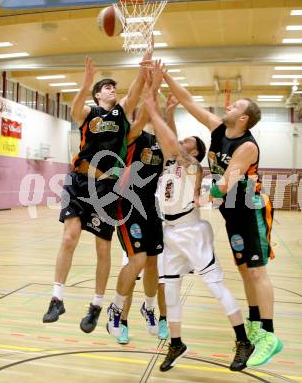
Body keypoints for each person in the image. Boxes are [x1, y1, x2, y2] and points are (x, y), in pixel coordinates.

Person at [163, 71, 282, 366]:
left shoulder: (247, 146)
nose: (227, 108)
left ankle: (268, 333)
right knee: (244, 270)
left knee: (257, 272)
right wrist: (166, 77)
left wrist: (202, 195)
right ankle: (254, 323)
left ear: (243, 118)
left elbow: (227, 182)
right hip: (232, 211)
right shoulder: (217, 129)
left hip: (250, 209)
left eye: (234, 107)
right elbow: (189, 101)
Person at [142, 77, 255, 372]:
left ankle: (243, 340)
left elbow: (168, 138)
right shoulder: (171, 161)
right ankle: (176, 344)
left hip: (191, 231)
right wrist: (165, 111)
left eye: (187, 142)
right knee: (171, 291)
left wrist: (150, 103)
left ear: (194, 151)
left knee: (215, 286)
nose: (181, 141)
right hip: (170, 232)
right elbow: (170, 138)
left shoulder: (193, 166)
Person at [42, 51, 151, 333]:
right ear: (97, 95)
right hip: (78, 181)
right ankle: (57, 297)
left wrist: (144, 65)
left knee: (102, 247)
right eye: (106, 86)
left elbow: (137, 90)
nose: (112, 88)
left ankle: (96, 305)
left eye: (113, 86)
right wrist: (86, 81)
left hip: (106, 188)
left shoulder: (122, 112)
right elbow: (75, 109)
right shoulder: (90, 113)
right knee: (69, 237)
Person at [106, 61, 166, 340]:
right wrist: (151, 83)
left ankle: (149, 308)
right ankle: (116, 310)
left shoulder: (158, 141)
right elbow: (143, 112)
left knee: (152, 263)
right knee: (138, 259)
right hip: (126, 204)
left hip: (150, 205)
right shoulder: (129, 135)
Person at [117, 251, 168, 344]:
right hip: (134, 239)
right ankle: (123, 324)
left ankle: (163, 320)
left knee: (162, 283)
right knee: (129, 283)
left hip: (158, 240)